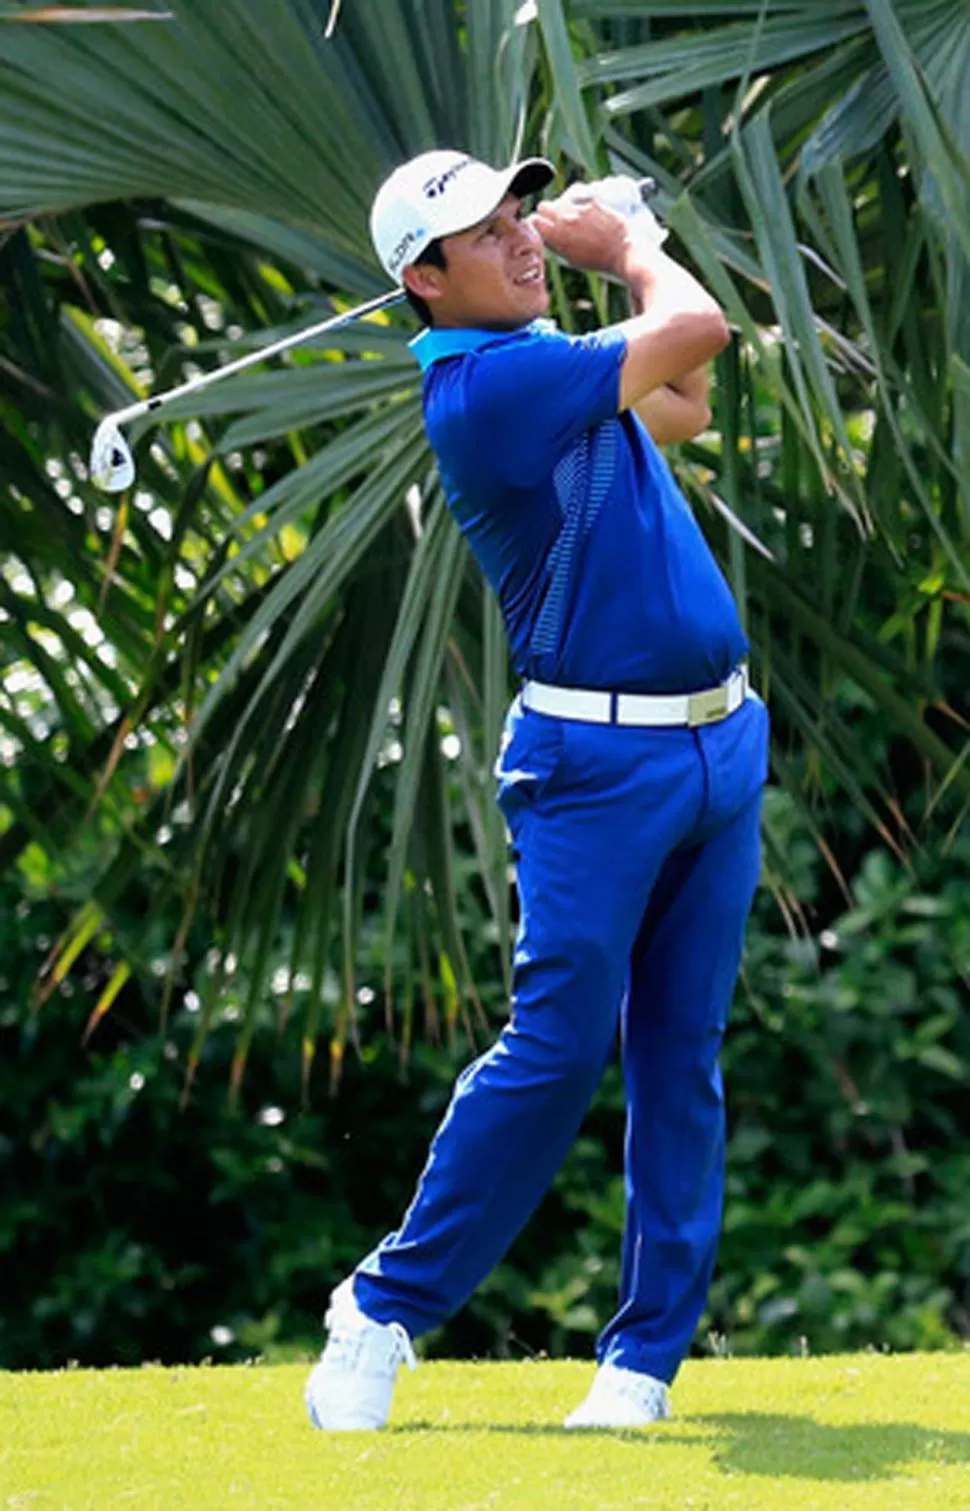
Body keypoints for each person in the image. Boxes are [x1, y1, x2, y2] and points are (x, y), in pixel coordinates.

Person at [306, 149, 769, 1431]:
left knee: (682, 1055)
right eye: (486, 231)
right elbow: (697, 326)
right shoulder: (482, 390)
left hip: (718, 748)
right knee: (559, 1045)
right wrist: (620, 246)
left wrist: (619, 246)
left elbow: (682, 400)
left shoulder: (548, 376)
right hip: (590, 770)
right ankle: (384, 1307)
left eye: (520, 214)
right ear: (423, 280)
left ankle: (641, 1365)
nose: (517, 238)